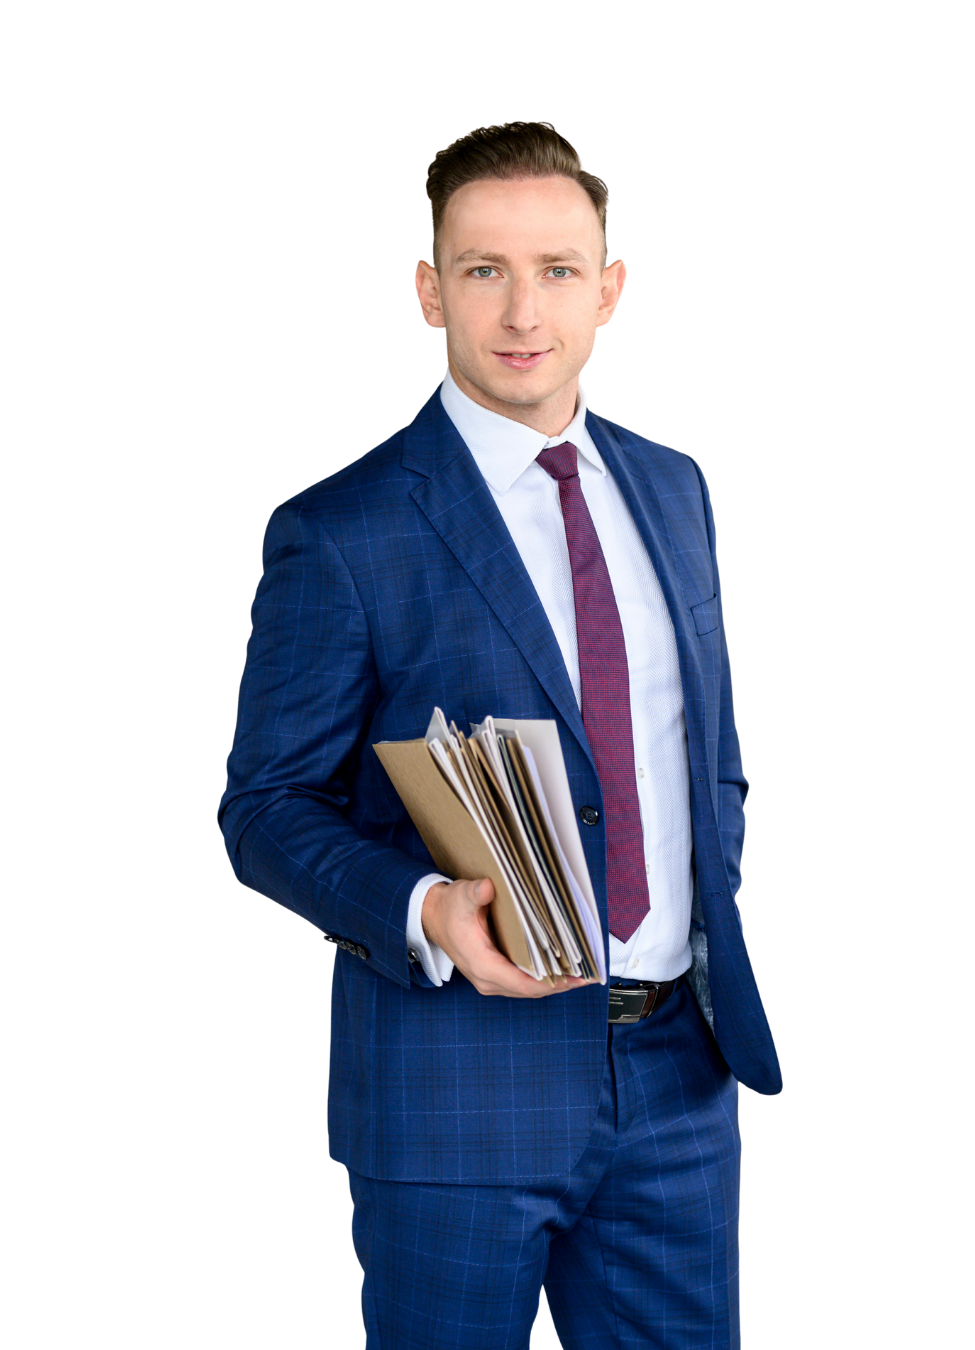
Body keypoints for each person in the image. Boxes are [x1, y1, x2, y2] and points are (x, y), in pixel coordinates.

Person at [218, 119, 782, 1349]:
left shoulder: (675, 486)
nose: (524, 311)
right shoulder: (341, 529)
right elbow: (262, 809)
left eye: (557, 270)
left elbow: (709, 752)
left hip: (681, 1081)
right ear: (430, 291)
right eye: (485, 270)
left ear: (610, 290)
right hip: (453, 1089)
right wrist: (425, 910)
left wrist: (706, 897)